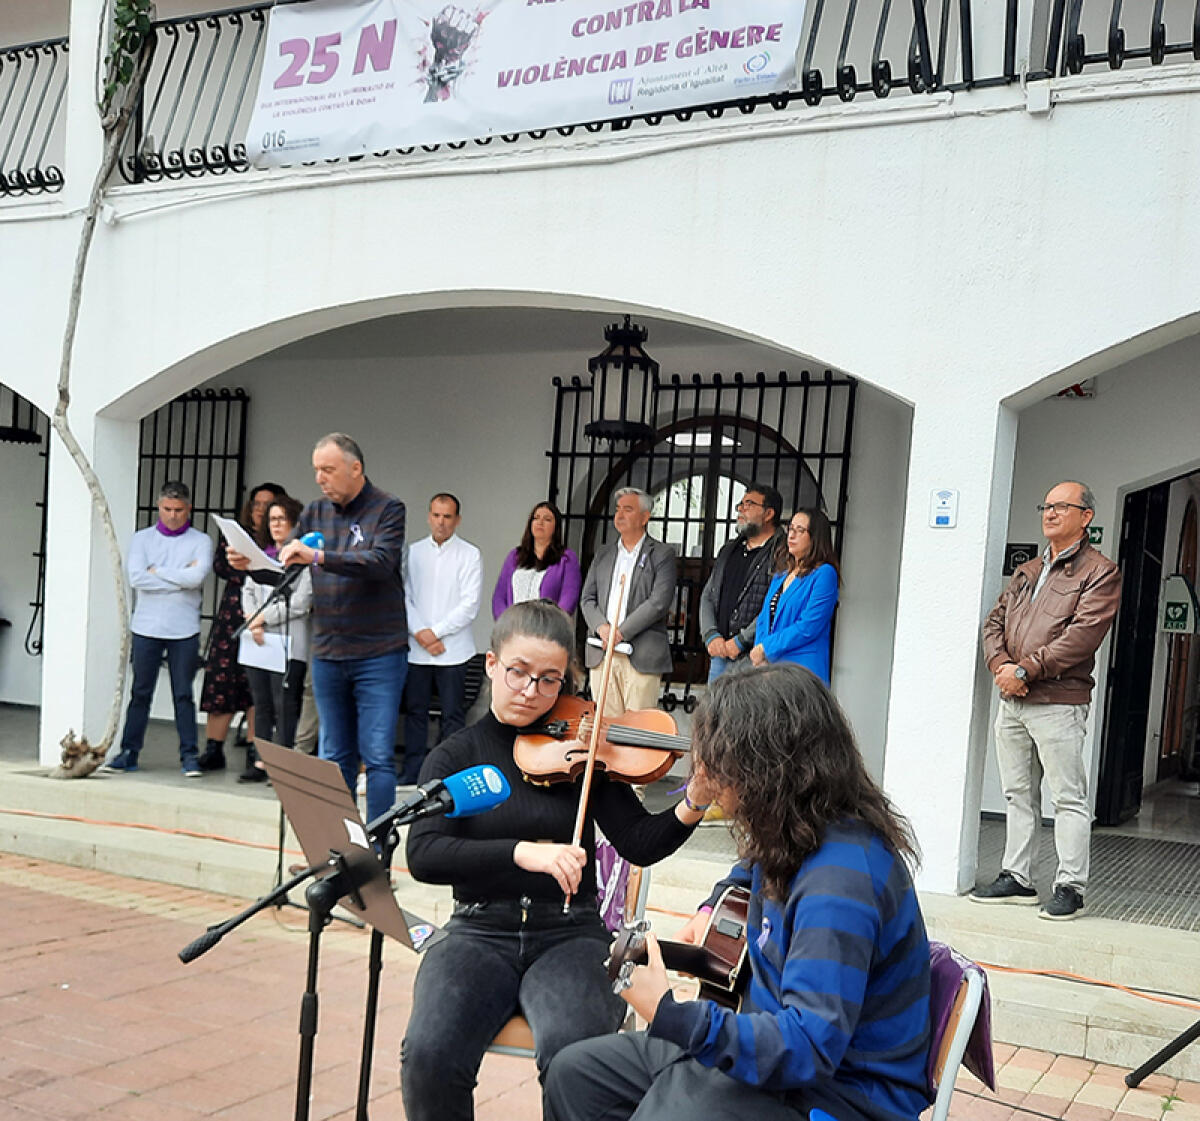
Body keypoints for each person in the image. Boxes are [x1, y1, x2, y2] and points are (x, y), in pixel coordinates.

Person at [545, 663, 932, 1121]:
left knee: (669, 1112)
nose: (702, 771)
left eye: (718, 760)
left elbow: (809, 1046)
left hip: (837, 1093)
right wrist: (714, 904)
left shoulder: (841, 883)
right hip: (765, 1053)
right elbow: (749, 871)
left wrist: (671, 1015)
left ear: (769, 770)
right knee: (575, 1075)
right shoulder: (802, 828)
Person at [401, 600, 712, 1121]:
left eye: (550, 680)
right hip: (479, 931)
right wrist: (524, 853)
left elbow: (638, 841)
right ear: (492, 664)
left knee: (578, 1058)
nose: (532, 691)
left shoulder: (583, 750)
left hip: (570, 934)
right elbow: (424, 853)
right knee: (428, 1055)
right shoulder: (457, 755)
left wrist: (693, 801)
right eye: (519, 673)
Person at [228, 433, 408, 826]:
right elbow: (287, 567)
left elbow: (380, 561)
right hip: (328, 651)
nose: (320, 479)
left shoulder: (388, 508)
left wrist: (320, 556)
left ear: (355, 468)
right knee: (333, 755)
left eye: (328, 469)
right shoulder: (314, 512)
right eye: (316, 471)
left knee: (376, 755)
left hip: (378, 651)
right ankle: (339, 849)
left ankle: (377, 850)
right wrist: (252, 565)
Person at [974, 480, 1121, 921]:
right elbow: (994, 620)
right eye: (1047, 505)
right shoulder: (1030, 570)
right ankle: (1017, 877)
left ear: (1086, 517)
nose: (1051, 513)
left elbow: (1081, 637)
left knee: (1068, 797)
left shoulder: (1100, 572)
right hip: (1014, 698)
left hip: (1057, 700)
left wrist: (1025, 670)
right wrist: (1001, 664)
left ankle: (1070, 887)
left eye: (1062, 506)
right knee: (1018, 793)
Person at [105, 482, 214, 776]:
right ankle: (129, 752)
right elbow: (137, 578)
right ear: (158, 507)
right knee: (140, 691)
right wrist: (178, 576)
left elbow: (197, 577)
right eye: (167, 509)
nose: (173, 515)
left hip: (184, 628)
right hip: (146, 626)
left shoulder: (200, 541)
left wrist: (159, 572)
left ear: (188, 509)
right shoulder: (141, 540)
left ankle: (189, 755)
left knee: (183, 693)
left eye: (179, 510)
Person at [197, 481, 286, 772]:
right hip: (232, 615)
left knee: (256, 684)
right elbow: (221, 566)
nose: (260, 510)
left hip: (265, 616)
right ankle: (213, 748)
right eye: (256, 504)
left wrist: (252, 565)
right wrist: (245, 564)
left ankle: (254, 750)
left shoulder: (279, 540)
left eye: (267, 505)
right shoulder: (238, 534)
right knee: (221, 679)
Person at [403, 493, 483, 786]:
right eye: (436, 515)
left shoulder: (469, 554)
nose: (441, 522)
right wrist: (421, 634)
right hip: (417, 650)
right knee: (415, 713)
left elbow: (470, 604)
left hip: (454, 650)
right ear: (428, 516)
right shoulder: (413, 552)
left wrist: (434, 633)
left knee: (452, 715)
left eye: (447, 516)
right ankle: (412, 772)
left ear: (457, 520)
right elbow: (405, 597)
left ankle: (446, 776)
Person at [579, 488, 677, 717]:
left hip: (640, 654)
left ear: (645, 517)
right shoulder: (603, 553)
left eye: (628, 509)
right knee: (605, 730)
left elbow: (659, 602)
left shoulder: (661, 554)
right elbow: (587, 598)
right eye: (617, 509)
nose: (619, 515)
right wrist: (601, 628)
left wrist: (620, 632)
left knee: (636, 730)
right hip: (602, 653)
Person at [238, 496, 311, 782]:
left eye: (282, 519)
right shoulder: (261, 555)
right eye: (272, 519)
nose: (276, 525)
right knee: (262, 702)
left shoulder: (303, 559)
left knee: (285, 704)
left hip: (289, 643)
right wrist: (251, 619)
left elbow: (300, 602)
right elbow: (248, 590)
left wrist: (262, 618)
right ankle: (262, 762)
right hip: (257, 640)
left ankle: (283, 765)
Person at [698, 483, 787, 682]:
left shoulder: (782, 553)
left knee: (749, 713)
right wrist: (711, 634)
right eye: (740, 504)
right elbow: (708, 594)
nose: (740, 509)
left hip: (756, 657)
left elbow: (777, 605)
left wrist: (741, 640)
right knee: (713, 712)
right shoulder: (729, 549)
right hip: (720, 655)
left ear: (768, 513)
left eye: (749, 504)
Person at [750, 508, 839, 683]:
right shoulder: (781, 574)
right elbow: (763, 618)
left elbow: (808, 626)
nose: (791, 535)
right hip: (770, 668)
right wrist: (759, 653)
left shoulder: (824, 574)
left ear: (815, 537)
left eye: (800, 531)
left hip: (802, 671)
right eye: (790, 529)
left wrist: (766, 647)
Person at [491, 501, 583, 618]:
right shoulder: (515, 556)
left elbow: (569, 597)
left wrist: (552, 624)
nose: (540, 522)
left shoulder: (566, 559)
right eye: (536, 518)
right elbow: (499, 596)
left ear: (556, 527)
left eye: (547, 519)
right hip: (513, 628)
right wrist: (504, 622)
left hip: (547, 630)